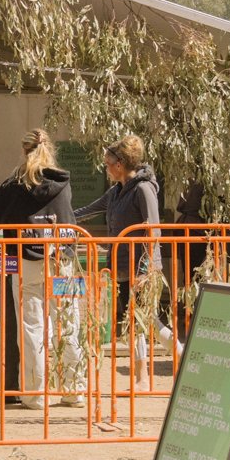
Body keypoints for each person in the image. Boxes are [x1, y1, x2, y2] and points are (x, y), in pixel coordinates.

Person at [0, 128, 80, 408]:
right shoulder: (64, 182)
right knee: (67, 322)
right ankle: (74, 389)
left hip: (27, 263)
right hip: (63, 261)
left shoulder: (14, 185)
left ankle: (35, 393)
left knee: (33, 327)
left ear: (24, 151)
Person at [75, 137, 162, 390]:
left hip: (142, 267)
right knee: (142, 322)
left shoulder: (143, 189)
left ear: (120, 164)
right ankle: (177, 358)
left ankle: (143, 377)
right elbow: (88, 210)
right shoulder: (115, 192)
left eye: (108, 163)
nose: (106, 167)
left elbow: (153, 229)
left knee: (142, 322)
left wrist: (147, 268)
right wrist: (59, 218)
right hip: (123, 266)